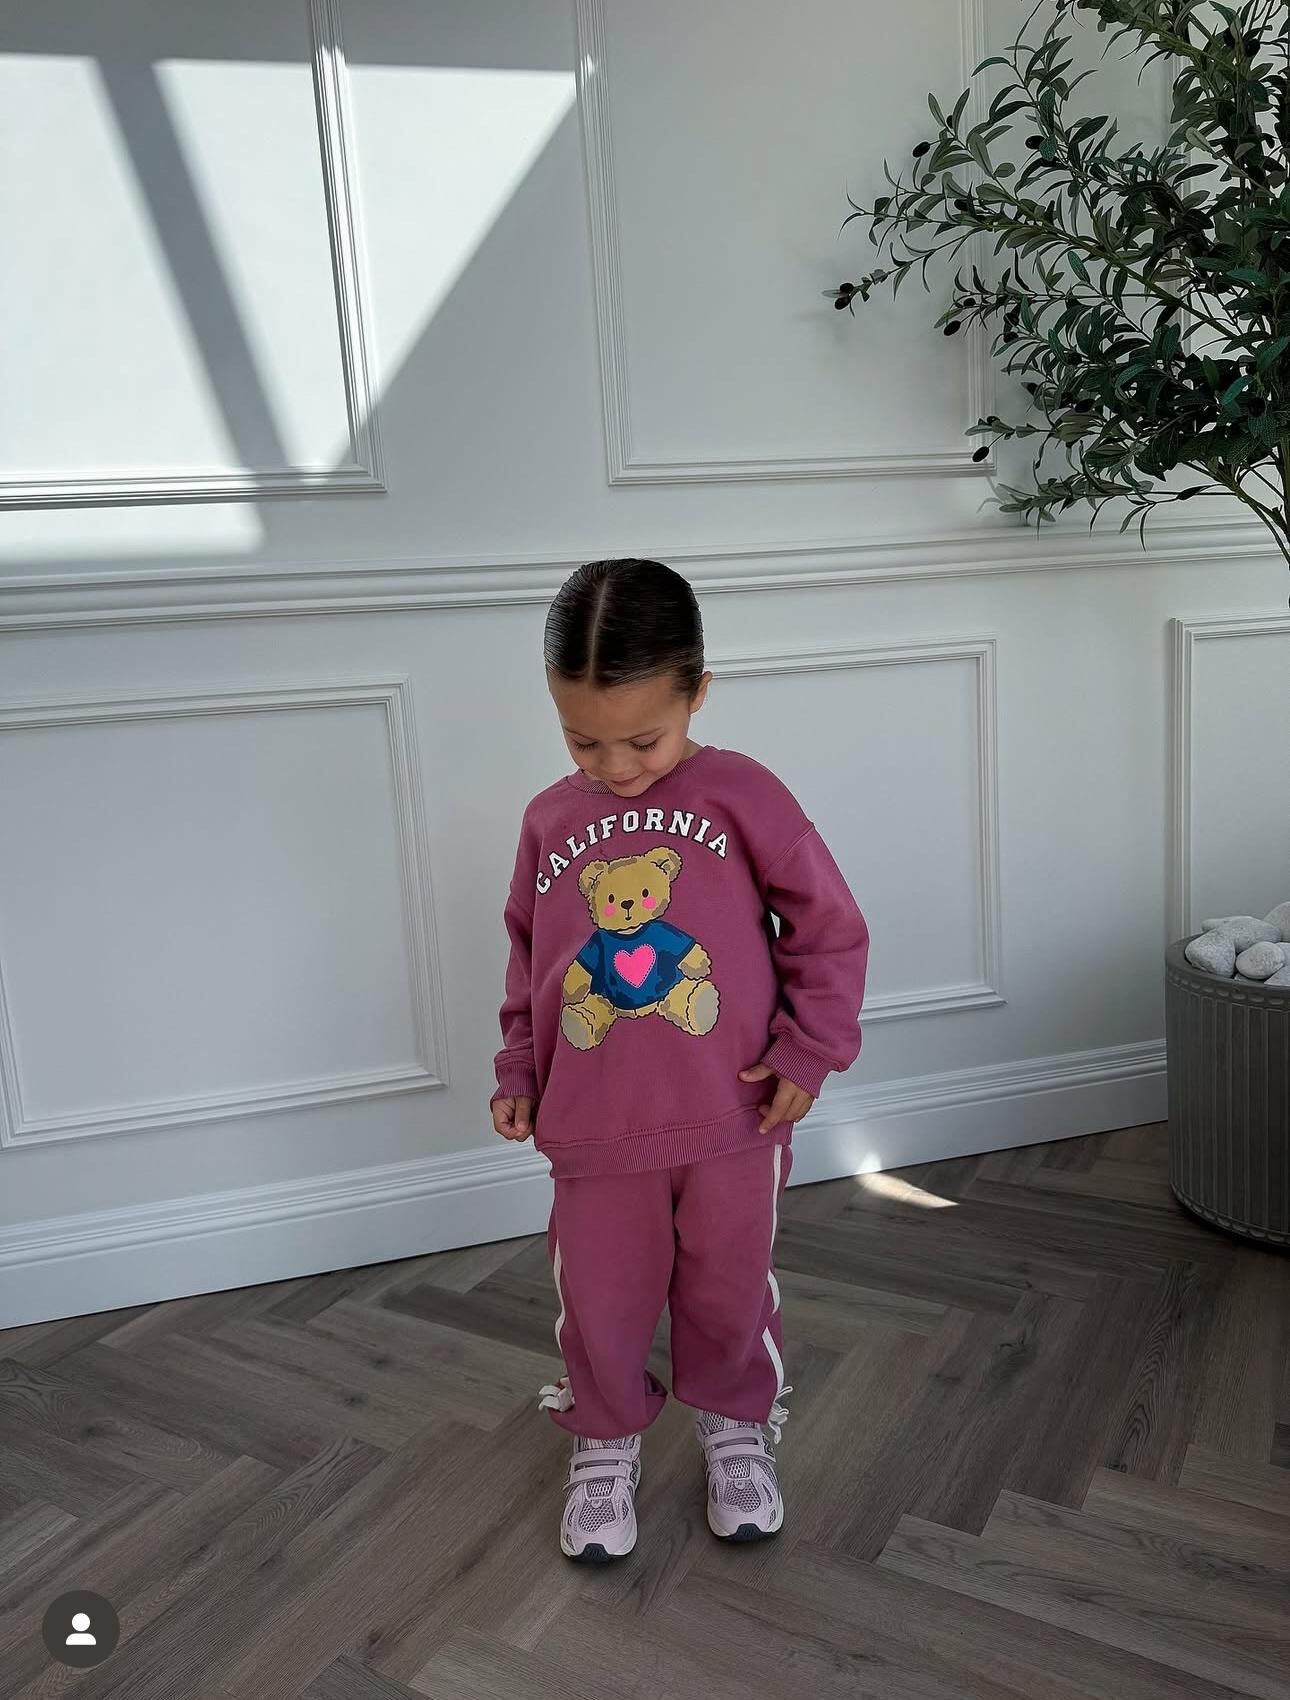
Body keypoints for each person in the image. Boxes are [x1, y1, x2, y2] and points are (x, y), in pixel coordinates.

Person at [489, 557, 870, 1564]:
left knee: (730, 1287)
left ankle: (736, 1427)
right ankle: (605, 1434)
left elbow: (829, 929)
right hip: (595, 1128)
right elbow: (534, 962)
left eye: (643, 739)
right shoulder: (547, 822)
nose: (615, 765)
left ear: (698, 691)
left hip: (735, 1118)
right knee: (600, 1300)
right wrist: (519, 1067)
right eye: (583, 739)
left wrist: (809, 1049)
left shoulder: (745, 795)